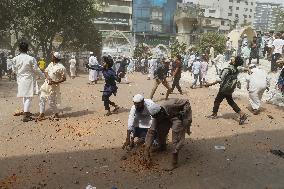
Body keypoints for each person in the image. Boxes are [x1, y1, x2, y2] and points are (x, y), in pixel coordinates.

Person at [144, 98, 192, 171]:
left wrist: (184, 111)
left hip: (179, 116)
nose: (156, 119)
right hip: (168, 117)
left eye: (157, 116)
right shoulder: (156, 116)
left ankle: (174, 163)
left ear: (161, 111)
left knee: (176, 137)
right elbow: (151, 131)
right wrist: (146, 149)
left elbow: (186, 102)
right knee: (160, 129)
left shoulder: (170, 104)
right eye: (155, 117)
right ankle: (162, 146)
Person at [205, 56, 248, 125]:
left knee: (217, 101)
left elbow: (219, 80)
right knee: (231, 102)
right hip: (230, 89)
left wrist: (209, 84)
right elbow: (243, 68)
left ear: (234, 62)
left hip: (224, 89)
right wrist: (248, 70)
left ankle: (214, 114)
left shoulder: (227, 69)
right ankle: (242, 114)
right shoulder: (237, 68)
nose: (231, 59)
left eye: (233, 59)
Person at [13, 42, 44, 122]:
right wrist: (44, 76)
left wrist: (19, 74)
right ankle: (25, 115)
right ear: (27, 49)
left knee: (25, 96)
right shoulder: (31, 58)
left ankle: (25, 111)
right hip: (28, 79)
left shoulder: (15, 58)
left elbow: (14, 70)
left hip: (20, 79)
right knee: (29, 97)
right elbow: (36, 69)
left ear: (19, 49)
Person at [37, 52, 66, 121]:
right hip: (46, 84)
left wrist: (55, 82)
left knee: (51, 102)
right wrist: (48, 78)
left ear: (56, 58)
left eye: (53, 56)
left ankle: (56, 114)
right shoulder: (50, 64)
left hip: (54, 87)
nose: (51, 57)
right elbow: (46, 71)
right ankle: (42, 114)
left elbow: (64, 78)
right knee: (42, 98)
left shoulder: (61, 67)